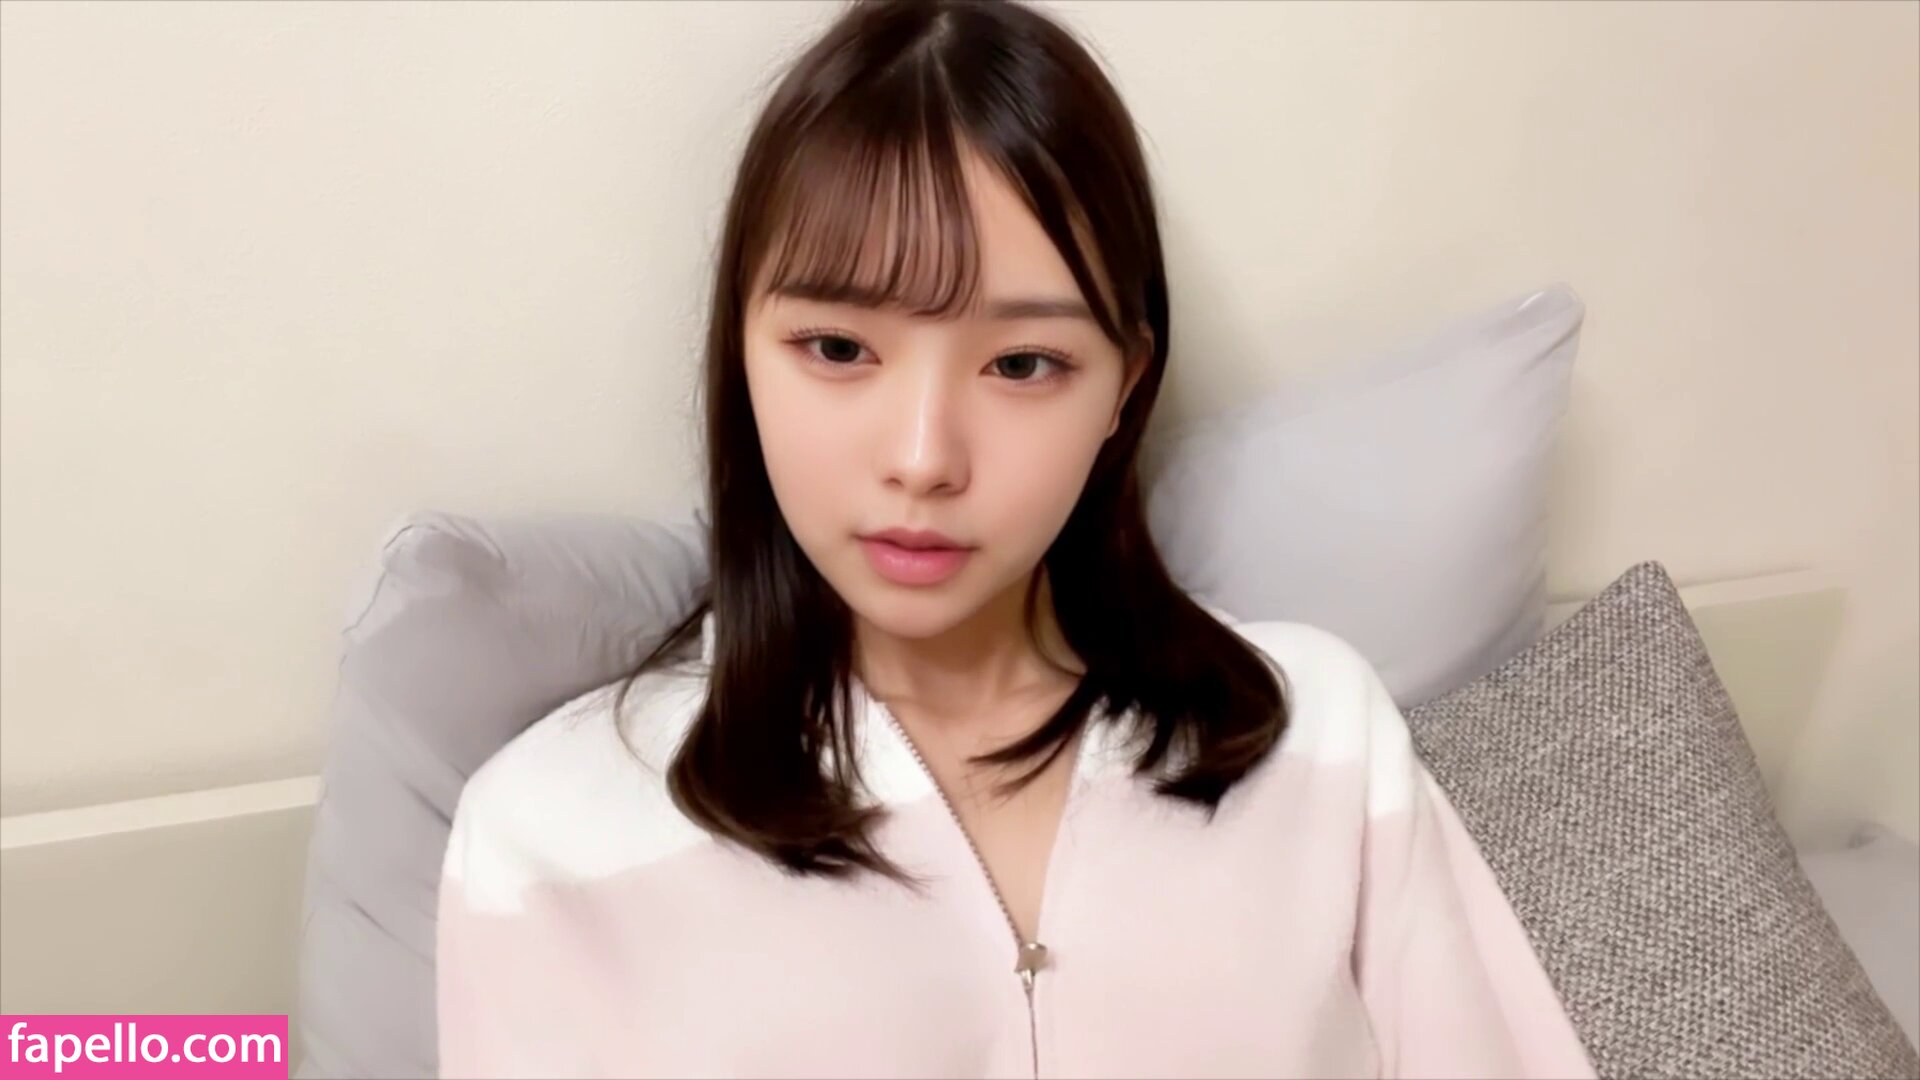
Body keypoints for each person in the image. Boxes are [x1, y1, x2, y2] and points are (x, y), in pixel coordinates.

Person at [436, 1, 1596, 1076]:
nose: (924, 458)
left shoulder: (1322, 744)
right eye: (838, 349)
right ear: (741, 354)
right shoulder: (551, 840)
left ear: (1123, 387)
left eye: (1024, 363)